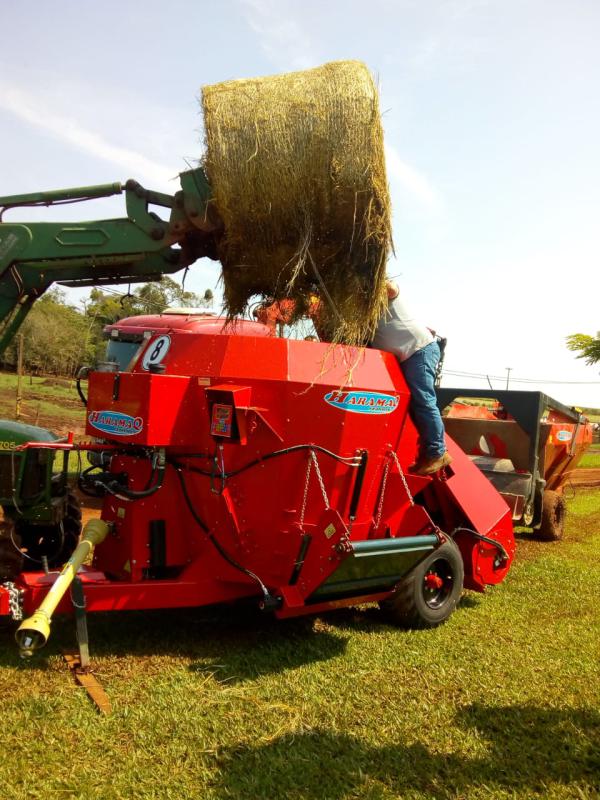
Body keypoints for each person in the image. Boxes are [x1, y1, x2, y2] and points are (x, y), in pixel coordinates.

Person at [371, 279, 452, 475]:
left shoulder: (387, 297)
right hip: (406, 356)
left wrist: (369, 277)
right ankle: (426, 453)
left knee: (423, 399)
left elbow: (391, 287)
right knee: (412, 406)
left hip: (420, 350)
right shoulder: (364, 319)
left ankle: (437, 453)